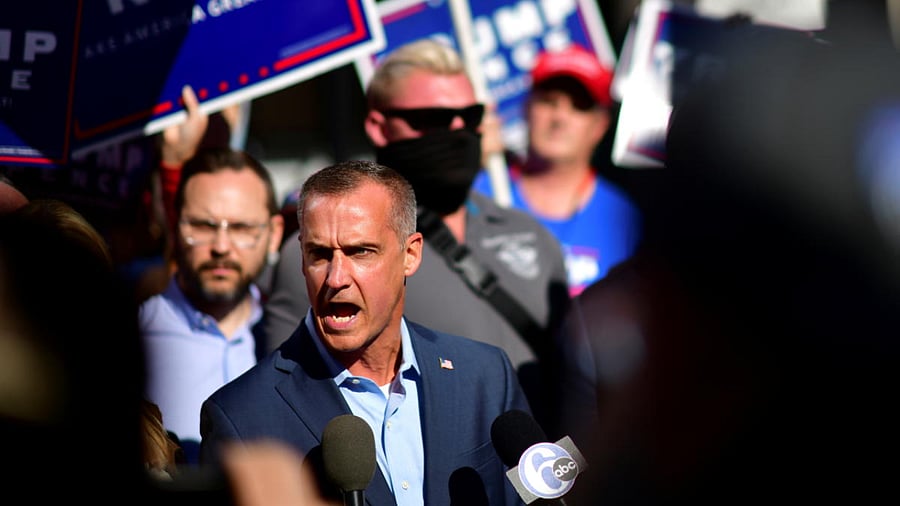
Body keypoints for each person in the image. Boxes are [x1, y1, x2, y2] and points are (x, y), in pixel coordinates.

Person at [262, 39, 570, 434]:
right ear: (377, 126)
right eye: (433, 120)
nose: (457, 132)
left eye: (469, 116)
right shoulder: (323, 255)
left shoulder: (532, 236)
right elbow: (291, 399)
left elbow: (575, 385)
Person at [200, 160, 531, 506]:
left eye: (360, 251)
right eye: (319, 254)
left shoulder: (485, 376)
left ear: (411, 254)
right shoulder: (241, 419)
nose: (336, 278)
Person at [139, 146, 284, 465]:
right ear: (175, 227)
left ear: (274, 234)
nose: (221, 246)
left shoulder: (296, 338)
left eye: (241, 228)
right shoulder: (134, 336)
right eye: (203, 226)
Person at [473, 43, 642, 298]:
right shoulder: (478, 194)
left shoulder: (625, 218)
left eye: (579, 106)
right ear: (526, 108)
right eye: (549, 102)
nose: (559, 118)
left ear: (600, 126)